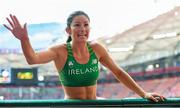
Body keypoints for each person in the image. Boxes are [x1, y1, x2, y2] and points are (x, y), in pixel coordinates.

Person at [4, 11, 165, 102]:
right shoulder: (60, 51)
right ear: (68, 30)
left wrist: (144, 94)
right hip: (72, 106)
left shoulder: (96, 48)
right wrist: (24, 39)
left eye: (86, 25)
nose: (82, 29)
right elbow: (33, 59)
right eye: (77, 25)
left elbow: (118, 72)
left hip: (95, 104)